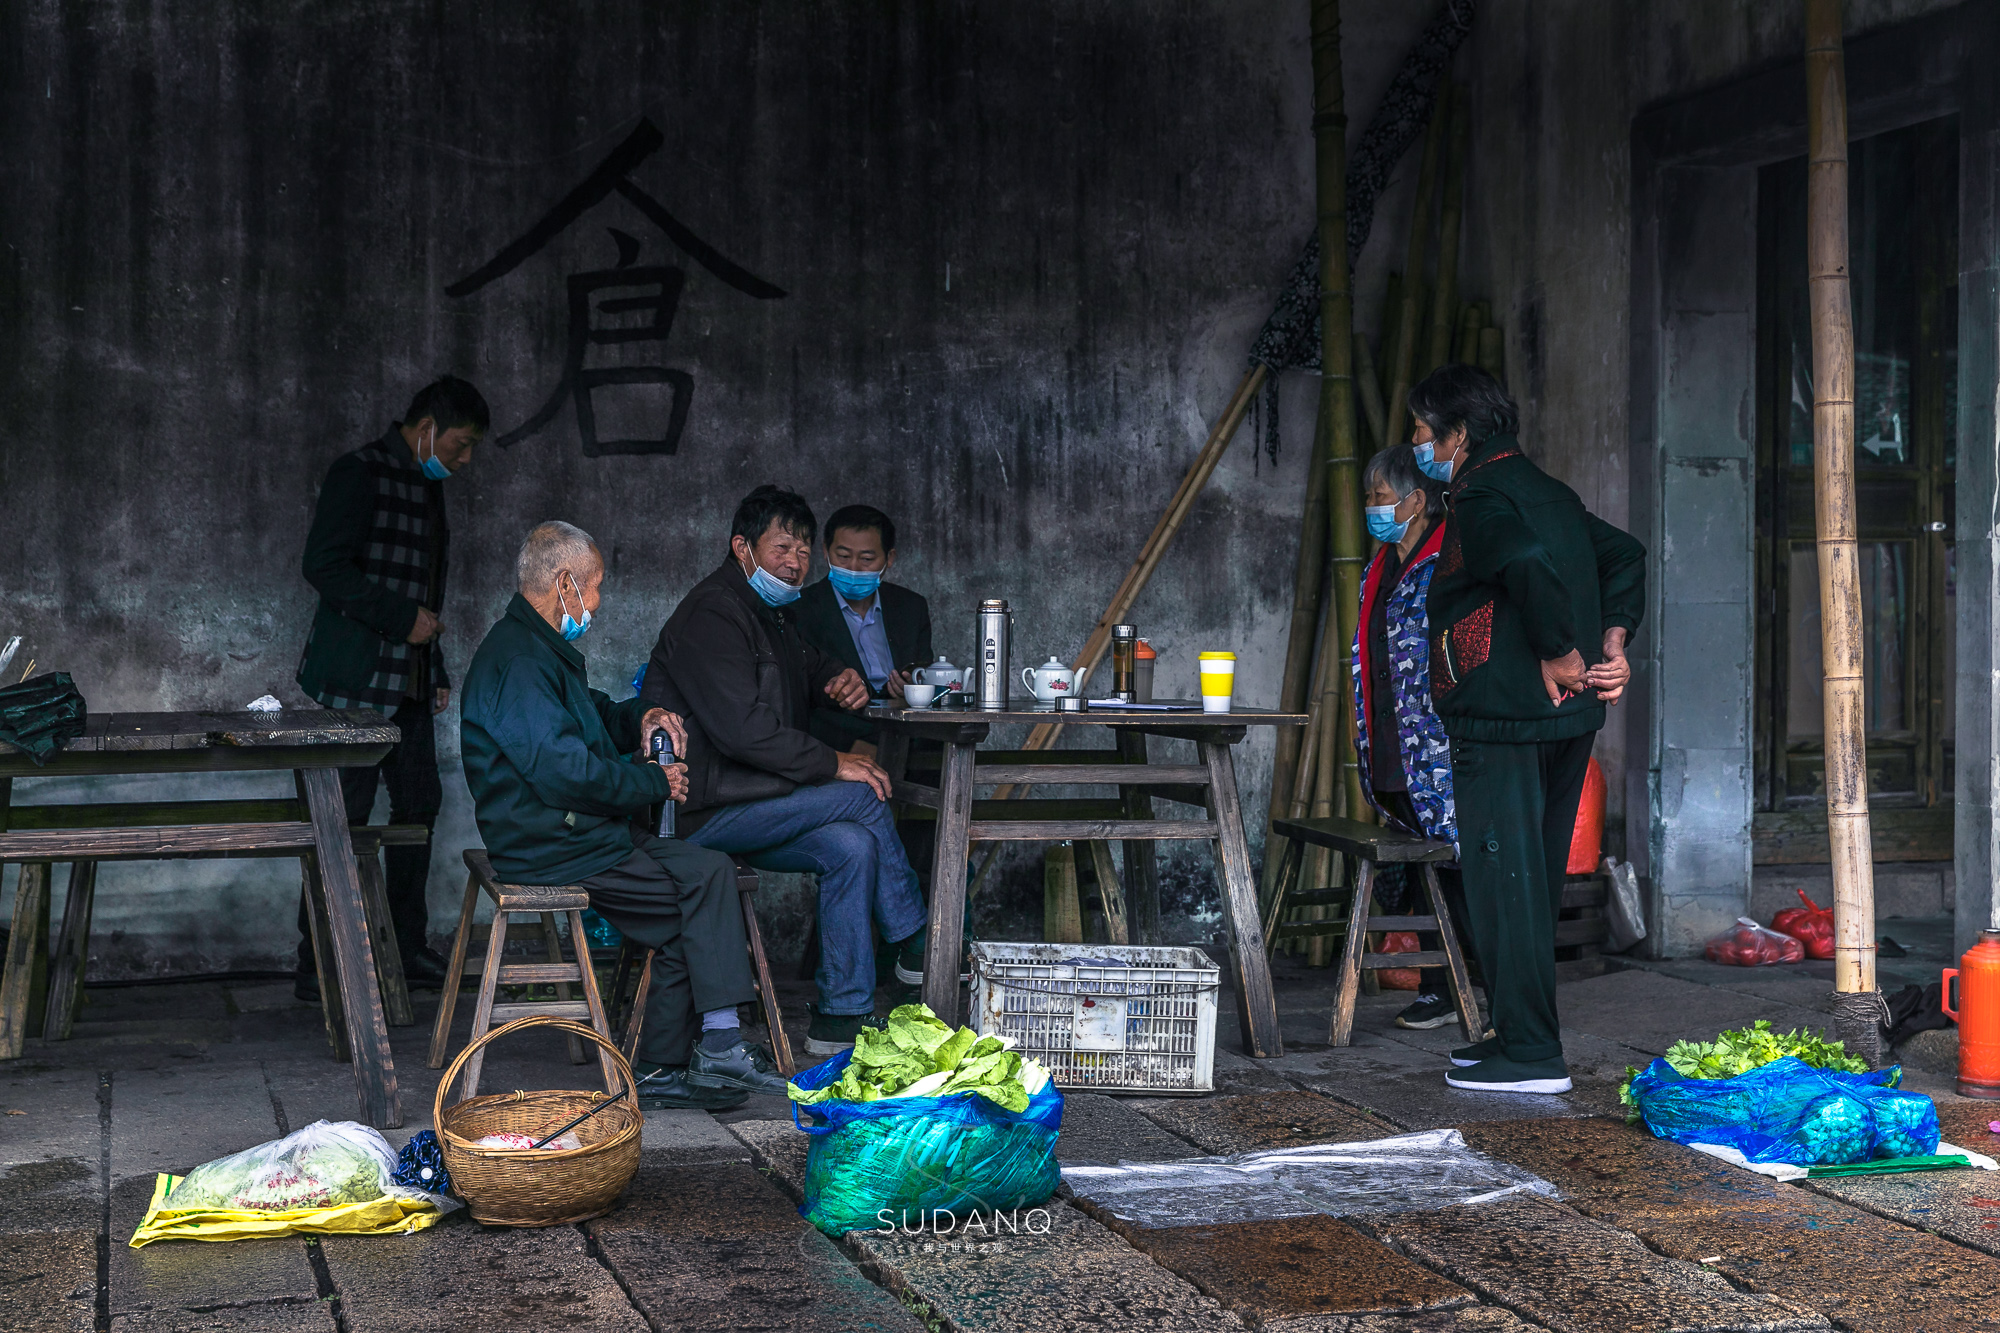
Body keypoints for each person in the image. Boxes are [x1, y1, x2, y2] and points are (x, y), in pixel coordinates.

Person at [459, 521, 786, 1109]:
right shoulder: (520, 663)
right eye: (595, 586)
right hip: (553, 843)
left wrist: (642, 715)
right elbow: (562, 772)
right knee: (706, 890)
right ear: (565, 585)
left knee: (706, 882)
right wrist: (651, 781)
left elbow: (590, 715)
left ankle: (689, 1057)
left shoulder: (537, 649)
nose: (598, 602)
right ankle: (706, 1049)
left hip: (577, 833)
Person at [1410, 364, 1645, 1095]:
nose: (1417, 443)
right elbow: (1624, 555)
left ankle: (1534, 1054)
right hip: (1564, 719)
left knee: (1503, 881)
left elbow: (1524, 562)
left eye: (1423, 431)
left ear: (1460, 434)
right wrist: (1612, 641)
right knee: (1530, 882)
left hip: (1504, 720)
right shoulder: (1548, 490)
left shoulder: (1481, 496)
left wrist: (1560, 648)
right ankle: (1515, 1034)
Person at [641, 485, 929, 1056]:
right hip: (703, 810)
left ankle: (839, 1018)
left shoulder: (768, 612)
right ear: (742, 548)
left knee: (852, 845)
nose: (795, 563)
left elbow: (804, 661)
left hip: (754, 802)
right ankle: (915, 941)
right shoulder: (713, 612)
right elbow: (741, 731)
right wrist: (833, 762)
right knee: (863, 795)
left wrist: (836, 675)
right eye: (781, 548)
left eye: (801, 550)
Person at [293, 375, 483, 1003]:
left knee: (420, 806)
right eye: (459, 444)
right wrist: (402, 620)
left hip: (410, 680)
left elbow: (425, 596)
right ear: (426, 427)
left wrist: (438, 668)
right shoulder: (360, 471)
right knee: (339, 818)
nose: (463, 459)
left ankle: (405, 947)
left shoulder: (428, 488)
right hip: (351, 679)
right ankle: (316, 963)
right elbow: (323, 565)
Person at [1349, 444, 1475, 1032]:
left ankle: (1478, 989)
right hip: (1393, 739)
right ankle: (1441, 988)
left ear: (1417, 500)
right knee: (1429, 858)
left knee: (1456, 862)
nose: (1370, 507)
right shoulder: (1382, 564)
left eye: (1379, 497)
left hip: (1439, 743)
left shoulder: (1448, 556)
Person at [795, 504, 934, 756]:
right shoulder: (801, 609)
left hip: (904, 726)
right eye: (843, 556)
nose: (854, 568)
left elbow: (924, 668)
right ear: (826, 552)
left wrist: (912, 686)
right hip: (841, 733)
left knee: (942, 745)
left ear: (889, 559)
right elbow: (798, 695)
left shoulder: (911, 607)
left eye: (867, 559)